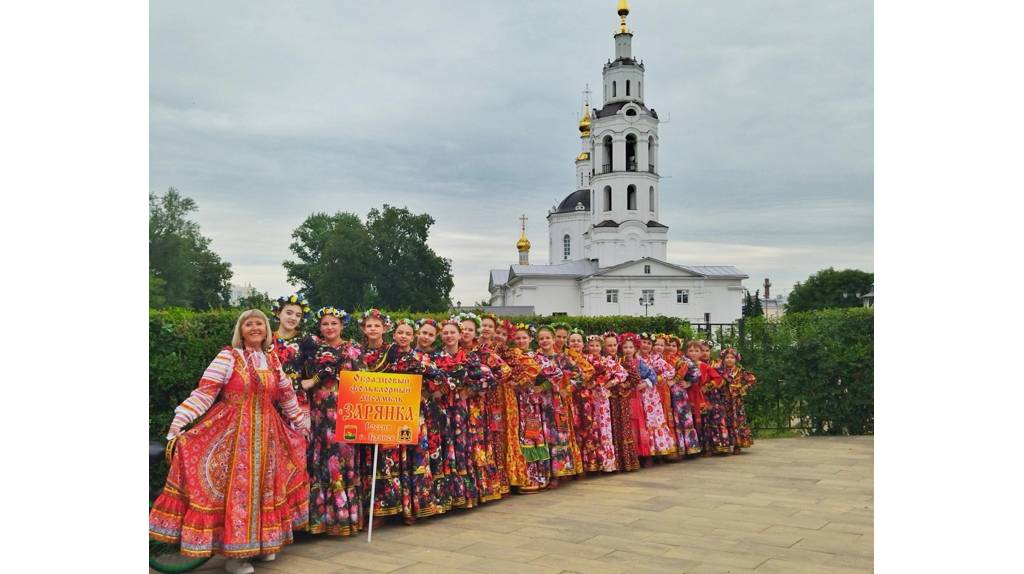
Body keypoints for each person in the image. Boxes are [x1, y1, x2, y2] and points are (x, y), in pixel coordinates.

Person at [150, 310, 310, 574]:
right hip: (233, 435)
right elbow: (205, 391)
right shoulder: (228, 357)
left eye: (259, 323)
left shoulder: (271, 359)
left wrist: (301, 423)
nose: (255, 327)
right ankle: (236, 557)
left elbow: (286, 395)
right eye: (249, 323)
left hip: (269, 435)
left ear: (267, 330)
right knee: (239, 493)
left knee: (267, 488)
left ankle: (264, 544)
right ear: (241, 330)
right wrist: (180, 421)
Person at [304, 307, 365, 537]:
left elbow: (364, 379)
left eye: (334, 323)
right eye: (325, 324)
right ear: (320, 327)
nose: (329, 327)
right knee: (320, 460)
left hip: (345, 411)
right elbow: (304, 378)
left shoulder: (353, 349)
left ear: (342, 326)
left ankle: (345, 518)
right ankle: (322, 519)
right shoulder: (312, 349)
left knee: (343, 459)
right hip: (319, 411)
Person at [456, 313, 504, 503]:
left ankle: (483, 488)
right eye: (463, 329)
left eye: (469, 329)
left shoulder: (481, 352)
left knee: (476, 443)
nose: (465, 332)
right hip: (455, 407)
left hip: (475, 406)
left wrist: (476, 389)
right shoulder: (450, 350)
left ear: (475, 332)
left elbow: (501, 372)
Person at [534, 325, 583, 485]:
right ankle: (543, 472)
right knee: (541, 435)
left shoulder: (562, 359)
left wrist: (567, 389)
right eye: (541, 338)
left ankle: (558, 472)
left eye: (547, 338)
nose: (544, 341)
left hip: (556, 403)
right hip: (538, 403)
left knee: (557, 436)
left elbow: (579, 376)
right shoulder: (534, 359)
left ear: (553, 339)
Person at [619, 333, 676, 466]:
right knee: (639, 422)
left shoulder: (655, 359)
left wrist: (652, 381)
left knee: (652, 421)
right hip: (635, 396)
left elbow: (669, 372)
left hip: (651, 396)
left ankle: (656, 452)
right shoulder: (629, 359)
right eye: (644, 342)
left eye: (649, 343)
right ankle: (641, 454)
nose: (646, 345)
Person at [585, 334, 626, 472]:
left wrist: (611, 382)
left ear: (601, 347)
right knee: (590, 428)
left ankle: (607, 463)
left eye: (597, 345)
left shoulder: (606, 361)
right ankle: (592, 464)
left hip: (602, 400)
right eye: (591, 345)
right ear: (587, 347)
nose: (594, 348)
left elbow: (622, 373)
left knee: (604, 428)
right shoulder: (584, 360)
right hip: (587, 398)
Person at [271, 295, 316, 421]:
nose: (293, 318)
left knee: (297, 437)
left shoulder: (306, 339)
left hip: (296, 395)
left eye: (298, 315)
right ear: (278, 313)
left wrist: (313, 380)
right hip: (270, 395)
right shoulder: (267, 338)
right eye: (289, 313)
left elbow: (324, 362)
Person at [602, 332, 639, 472]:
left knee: (623, 427)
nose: (611, 348)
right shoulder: (602, 361)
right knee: (611, 428)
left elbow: (635, 378)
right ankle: (613, 462)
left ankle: (627, 462)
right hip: (608, 400)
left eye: (614, 345)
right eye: (608, 345)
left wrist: (625, 385)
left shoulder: (623, 360)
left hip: (621, 400)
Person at [663, 336, 702, 456]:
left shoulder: (682, 359)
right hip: (663, 392)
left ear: (678, 347)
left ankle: (688, 448)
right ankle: (672, 449)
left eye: (674, 345)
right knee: (668, 419)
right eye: (668, 345)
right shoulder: (659, 358)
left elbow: (696, 373)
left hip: (679, 394)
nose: (671, 348)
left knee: (682, 419)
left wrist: (688, 382)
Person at [718, 347, 757, 453]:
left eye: (732, 357)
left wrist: (744, 388)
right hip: (724, 400)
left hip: (736, 402)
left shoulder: (740, 371)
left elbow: (752, 379)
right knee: (724, 421)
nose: (729, 360)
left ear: (736, 359)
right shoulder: (720, 371)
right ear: (723, 359)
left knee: (737, 422)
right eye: (727, 357)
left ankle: (737, 444)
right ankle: (724, 444)